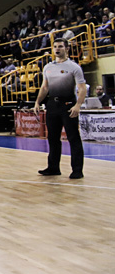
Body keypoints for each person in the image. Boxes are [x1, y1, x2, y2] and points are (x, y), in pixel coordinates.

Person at [34, 39, 87, 179]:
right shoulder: (48, 67)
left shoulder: (74, 67)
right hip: (52, 105)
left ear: (67, 48)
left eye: (60, 46)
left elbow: (82, 88)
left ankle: (77, 170)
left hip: (68, 105)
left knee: (73, 137)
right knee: (52, 137)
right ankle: (53, 167)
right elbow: (45, 87)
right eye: (55, 47)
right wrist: (37, 102)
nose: (57, 49)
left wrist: (78, 105)